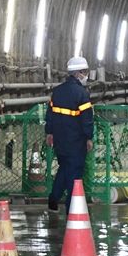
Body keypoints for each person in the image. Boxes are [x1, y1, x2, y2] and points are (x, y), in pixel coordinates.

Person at [46, 56, 95, 211]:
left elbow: (50, 114)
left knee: (64, 168)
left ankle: (53, 199)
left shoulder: (57, 91)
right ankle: (71, 207)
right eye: (84, 72)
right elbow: (86, 119)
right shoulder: (81, 93)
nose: (86, 75)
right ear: (78, 73)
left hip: (59, 139)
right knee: (75, 173)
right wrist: (89, 137)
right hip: (76, 140)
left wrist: (49, 132)